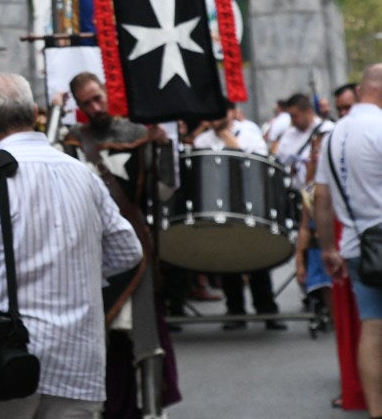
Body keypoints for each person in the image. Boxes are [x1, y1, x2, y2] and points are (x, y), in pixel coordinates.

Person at [0, 73, 142, 419]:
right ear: (35, 112)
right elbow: (128, 250)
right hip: (79, 360)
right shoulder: (82, 173)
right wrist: (77, 268)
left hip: (5, 357)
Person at [60, 73, 185, 414]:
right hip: (91, 251)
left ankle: (149, 408)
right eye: (87, 103)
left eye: (98, 98)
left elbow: (164, 191)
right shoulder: (71, 143)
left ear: (106, 93)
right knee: (101, 339)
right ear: (79, 107)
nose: (95, 107)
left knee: (142, 336)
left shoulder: (139, 136)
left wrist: (163, 146)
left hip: (135, 249)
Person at [315, 63, 382, 419]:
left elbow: (321, 198)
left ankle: (375, 410)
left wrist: (328, 248)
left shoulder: (333, 135)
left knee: (372, 326)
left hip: (357, 246)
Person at [189, 105, 284, 331]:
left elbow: (257, 167)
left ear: (231, 112)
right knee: (228, 259)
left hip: (248, 205)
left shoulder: (250, 137)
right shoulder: (202, 141)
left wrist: (231, 143)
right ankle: (235, 310)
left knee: (256, 260)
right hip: (218, 207)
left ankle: (267, 310)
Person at [271, 92, 332, 184]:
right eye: (290, 116)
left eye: (295, 116)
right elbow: (279, 163)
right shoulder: (288, 135)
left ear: (308, 112)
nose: (292, 120)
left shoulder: (328, 129)